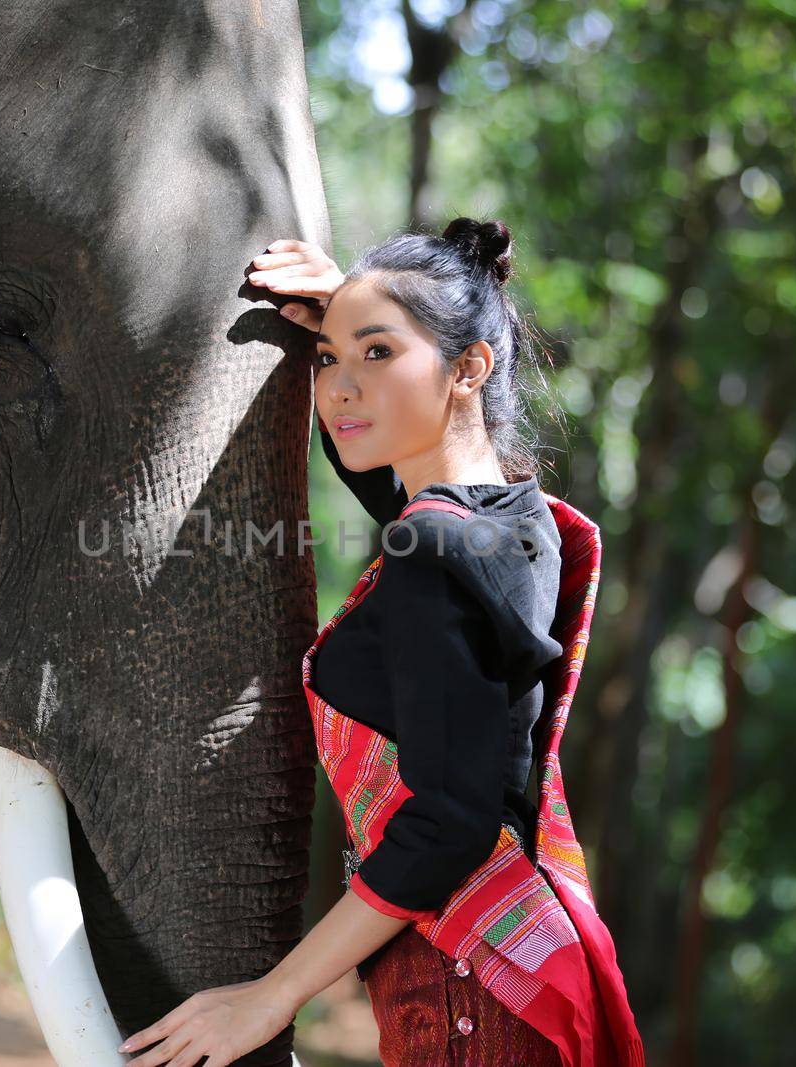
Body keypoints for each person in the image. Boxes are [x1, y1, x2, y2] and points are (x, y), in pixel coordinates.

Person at [118, 219, 643, 1067]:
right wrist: (357, 314)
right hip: (517, 968)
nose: (338, 387)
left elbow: (449, 822)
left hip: (469, 993)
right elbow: (402, 501)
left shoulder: (436, 550)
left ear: (469, 367)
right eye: (328, 359)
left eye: (377, 354)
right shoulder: (518, 523)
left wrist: (270, 997)